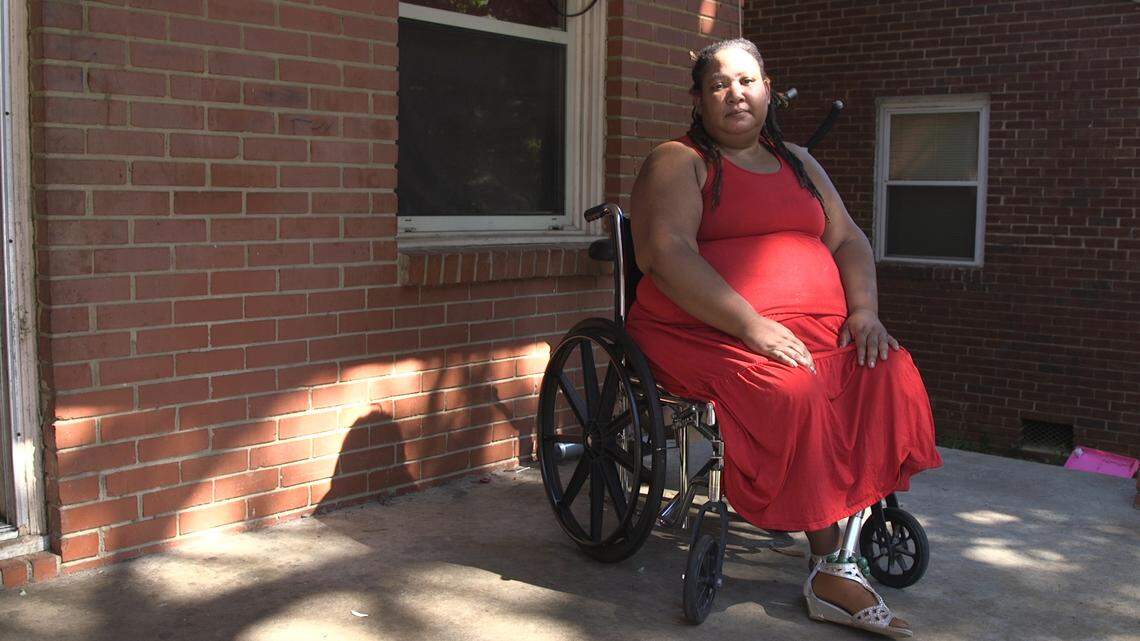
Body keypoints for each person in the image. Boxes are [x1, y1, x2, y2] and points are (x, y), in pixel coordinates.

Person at [624, 38, 943, 639]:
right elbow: (665, 254)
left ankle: (843, 533)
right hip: (702, 329)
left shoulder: (798, 161)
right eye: (719, 84)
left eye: (747, 81)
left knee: (886, 368)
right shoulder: (679, 160)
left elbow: (847, 241)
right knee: (794, 389)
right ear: (698, 99)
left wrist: (866, 312)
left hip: (813, 331)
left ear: (768, 88)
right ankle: (831, 566)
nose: (735, 94)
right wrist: (753, 325)